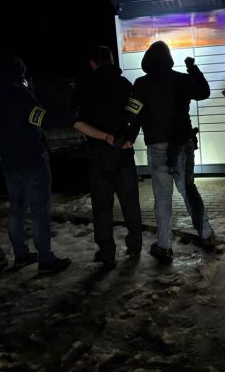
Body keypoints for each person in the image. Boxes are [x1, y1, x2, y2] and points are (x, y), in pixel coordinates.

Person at [124, 41, 216, 259]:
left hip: (157, 146)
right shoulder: (183, 79)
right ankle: (206, 234)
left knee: (162, 197)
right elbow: (204, 92)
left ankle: (164, 245)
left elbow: (133, 115)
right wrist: (192, 68)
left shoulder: (142, 83)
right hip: (183, 143)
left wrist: (128, 139)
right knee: (188, 189)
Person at [0, 54, 73, 274]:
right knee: (40, 212)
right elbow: (42, 119)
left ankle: (21, 255)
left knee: (16, 210)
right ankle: (46, 260)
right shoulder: (19, 96)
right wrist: (73, 115)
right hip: (32, 160)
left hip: (10, 163)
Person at [71, 46, 142, 270]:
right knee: (130, 201)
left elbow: (78, 122)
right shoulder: (125, 84)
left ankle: (107, 253)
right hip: (124, 150)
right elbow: (137, 114)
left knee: (102, 204)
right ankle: (135, 246)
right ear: (112, 61)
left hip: (99, 153)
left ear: (92, 63)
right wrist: (129, 139)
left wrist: (104, 137)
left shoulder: (84, 86)